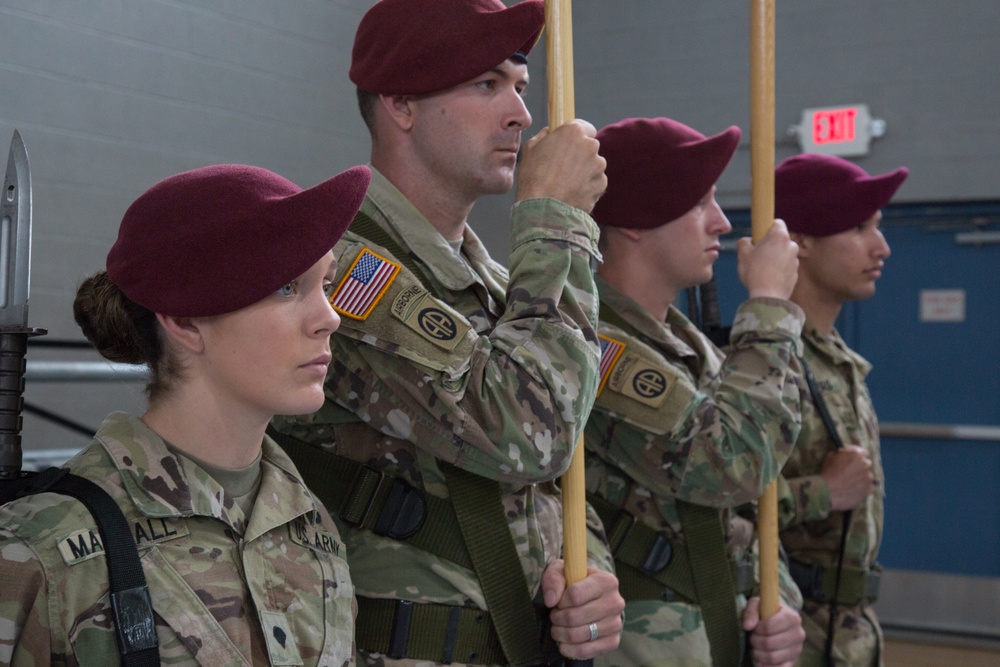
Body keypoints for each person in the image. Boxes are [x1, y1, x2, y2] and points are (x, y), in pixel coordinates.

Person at [270, 0, 625, 665]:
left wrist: (587, 574)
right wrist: (553, 221)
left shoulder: (487, 281)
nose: (521, 112)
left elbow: (554, 474)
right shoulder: (342, 271)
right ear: (401, 104)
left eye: (521, 85)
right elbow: (526, 431)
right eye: (486, 85)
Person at [0, 163, 371, 666]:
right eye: (288, 287)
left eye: (325, 283)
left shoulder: (311, 528)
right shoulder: (43, 550)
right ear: (184, 319)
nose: (330, 317)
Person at [582, 117, 808, 667]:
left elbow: (749, 509)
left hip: (715, 633)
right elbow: (732, 464)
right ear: (636, 220)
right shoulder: (596, 349)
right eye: (699, 202)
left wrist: (777, 601)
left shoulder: (686, 345)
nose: (722, 222)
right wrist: (770, 306)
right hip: (648, 646)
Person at [773, 153, 908, 667]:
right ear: (801, 241)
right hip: (790, 628)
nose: (882, 247)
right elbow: (721, 503)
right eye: (859, 228)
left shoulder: (838, 361)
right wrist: (821, 493)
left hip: (848, 628)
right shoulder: (765, 359)